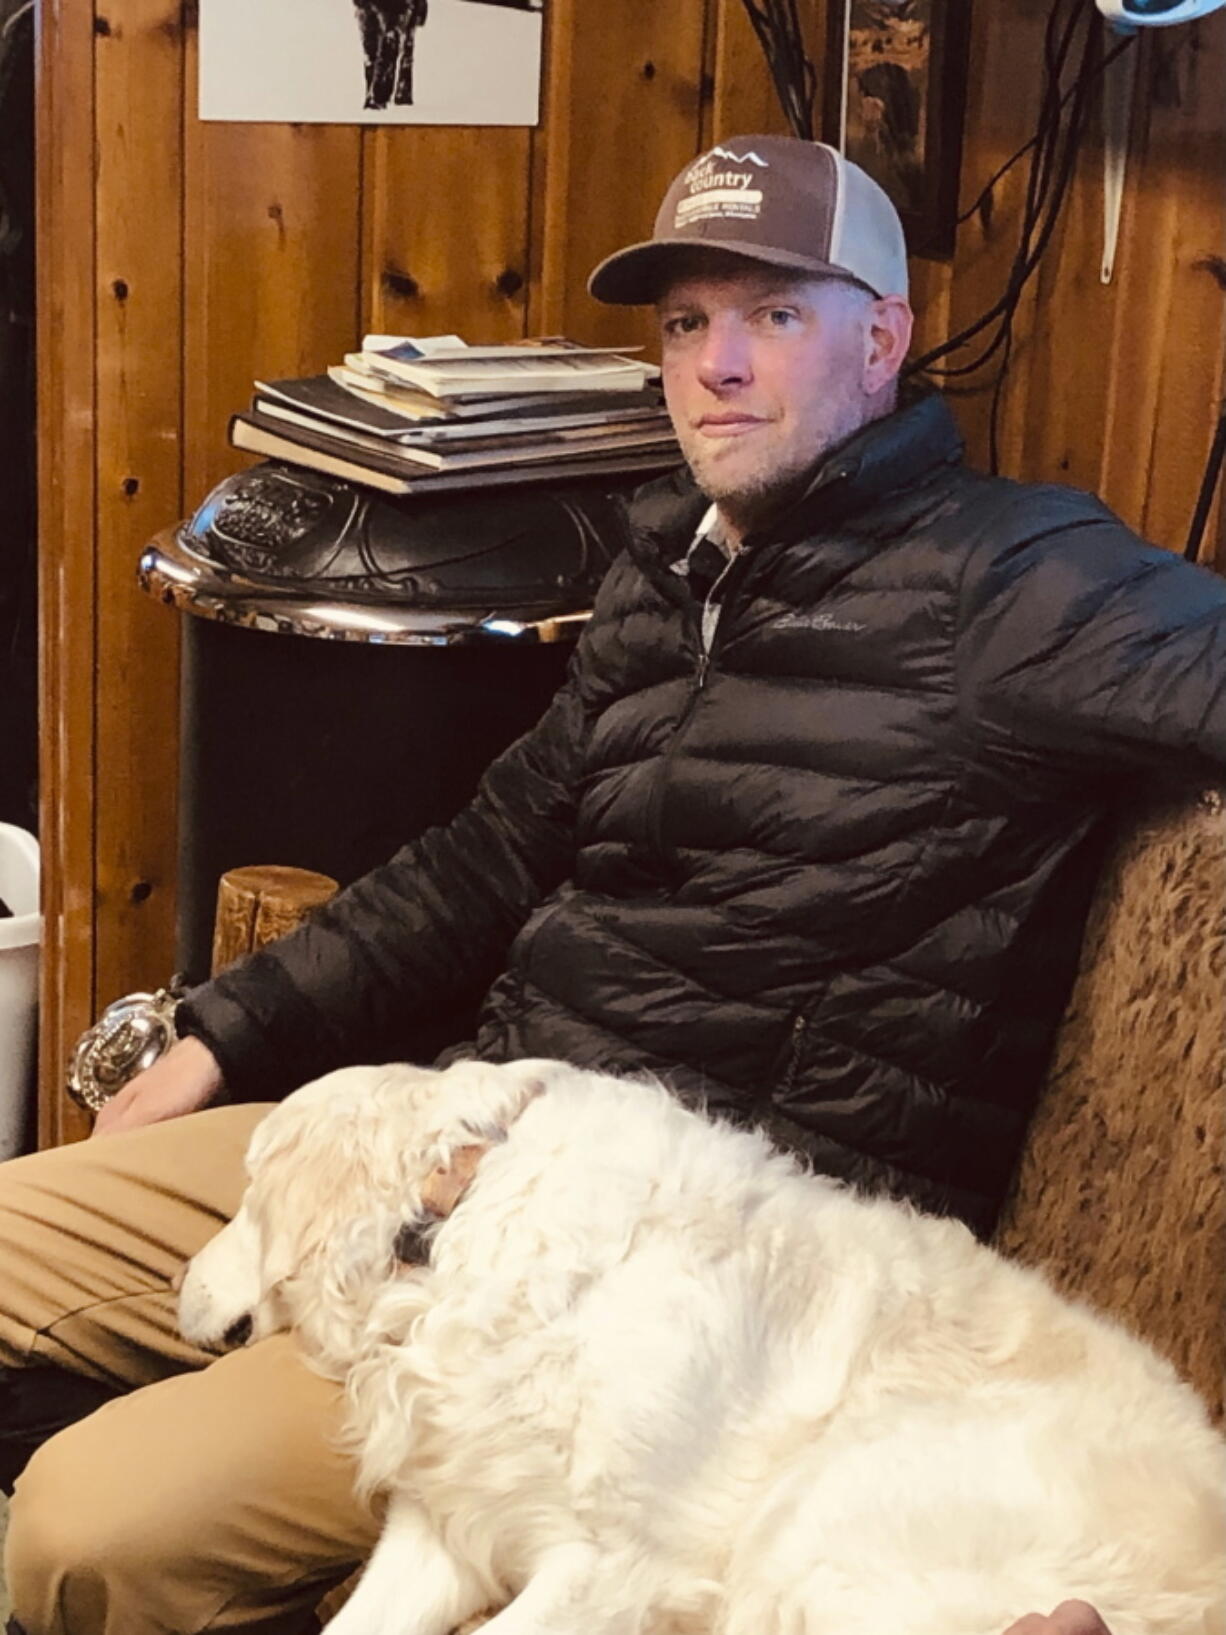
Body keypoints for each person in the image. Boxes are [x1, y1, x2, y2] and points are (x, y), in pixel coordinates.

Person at [3, 134, 1224, 1635]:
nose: (714, 365)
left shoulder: (1015, 580)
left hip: (677, 1292)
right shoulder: (673, 572)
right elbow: (482, 858)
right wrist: (222, 1033)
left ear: (884, 340)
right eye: (683, 324)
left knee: (79, 1530)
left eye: (772, 316)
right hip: (468, 1145)